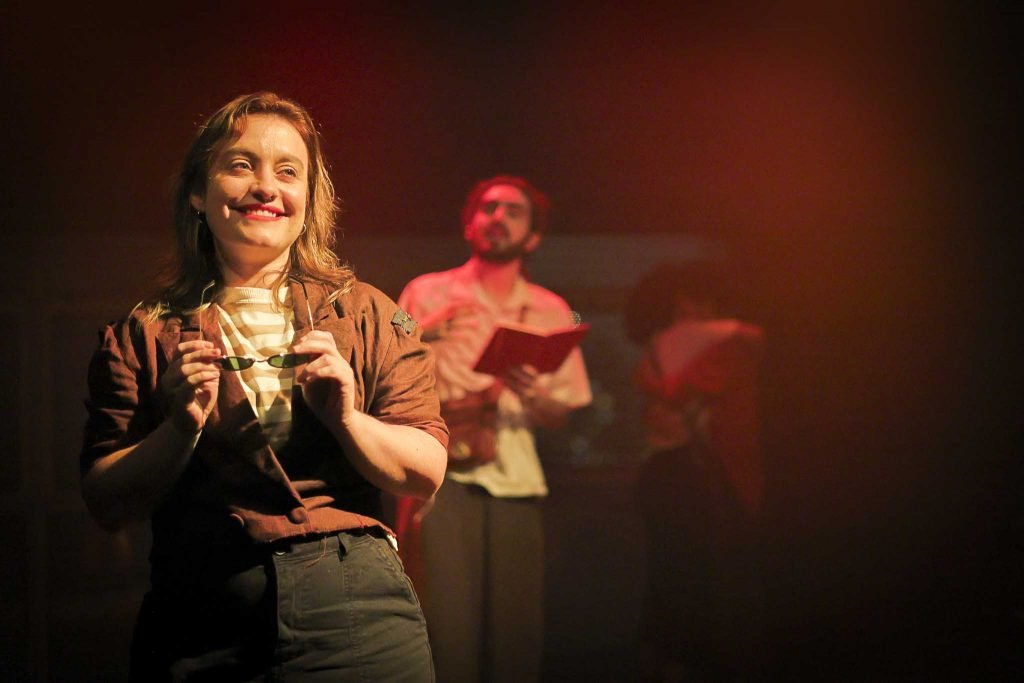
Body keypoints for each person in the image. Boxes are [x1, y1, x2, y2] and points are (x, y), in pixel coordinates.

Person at [79, 92, 447, 682]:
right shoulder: (143, 333)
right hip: (200, 619)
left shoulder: (367, 315)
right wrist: (179, 428)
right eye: (240, 164)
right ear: (199, 193)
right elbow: (105, 499)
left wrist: (348, 418)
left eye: (288, 171)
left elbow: (426, 469)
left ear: (308, 201)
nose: (265, 187)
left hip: (355, 617)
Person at [395, 175, 592, 682]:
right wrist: (422, 332)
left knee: (514, 636)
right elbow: (383, 376)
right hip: (442, 478)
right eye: (488, 208)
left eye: (513, 211)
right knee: (445, 629)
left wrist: (532, 392)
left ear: (533, 237)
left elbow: (562, 412)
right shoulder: (427, 291)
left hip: (516, 477)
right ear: (469, 222)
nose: (498, 217)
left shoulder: (548, 307)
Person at [625, 262, 767, 682]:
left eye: (702, 299)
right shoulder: (697, 341)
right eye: (688, 301)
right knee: (689, 589)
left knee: (684, 589)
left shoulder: (674, 345)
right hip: (686, 480)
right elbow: (752, 340)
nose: (697, 309)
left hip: (690, 478)